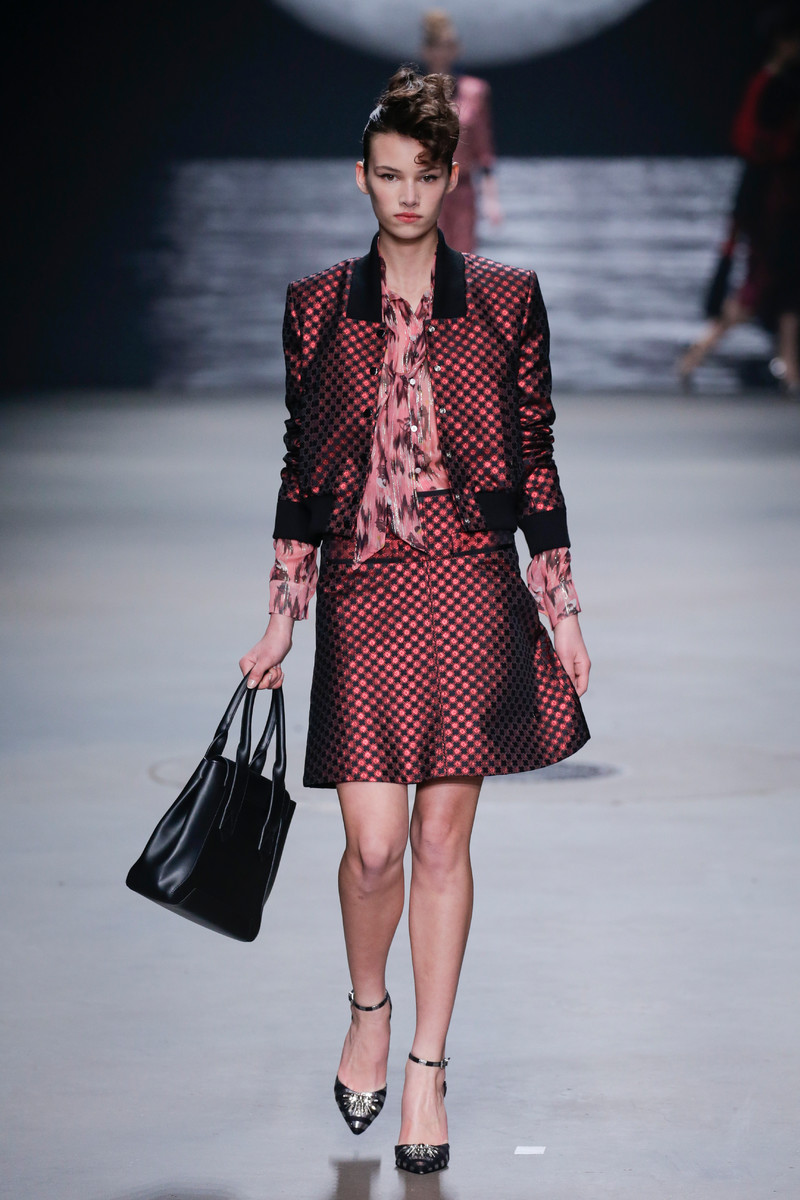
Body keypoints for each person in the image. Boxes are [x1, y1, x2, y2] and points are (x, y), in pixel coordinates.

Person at [240, 68, 590, 1175]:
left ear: (448, 182)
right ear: (362, 178)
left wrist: (560, 607)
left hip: (468, 575)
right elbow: (301, 468)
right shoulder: (314, 307)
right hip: (363, 580)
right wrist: (282, 616)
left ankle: (427, 1071)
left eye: (423, 176)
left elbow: (534, 456)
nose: (404, 194)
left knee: (440, 842)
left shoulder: (506, 299)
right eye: (387, 175)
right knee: (373, 845)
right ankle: (368, 1008)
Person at [678, 11, 800, 393]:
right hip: (771, 204)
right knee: (763, 287)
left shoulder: (774, 84)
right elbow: (761, 147)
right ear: (782, 42)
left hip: (776, 201)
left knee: (784, 289)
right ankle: (699, 352)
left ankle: (789, 367)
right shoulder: (772, 87)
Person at [419, 10, 502, 252]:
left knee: (461, 261)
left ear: (456, 49)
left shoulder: (474, 92)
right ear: (425, 51)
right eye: (435, 47)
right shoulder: (413, 95)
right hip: (423, 192)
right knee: (427, 263)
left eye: (447, 46)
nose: (441, 53)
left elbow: (484, 150)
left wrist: (492, 199)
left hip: (462, 191)